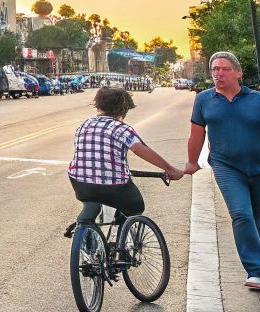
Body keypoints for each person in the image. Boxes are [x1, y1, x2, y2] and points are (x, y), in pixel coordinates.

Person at [186, 51, 260, 290]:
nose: (218, 73)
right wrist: (191, 162)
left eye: (224, 69)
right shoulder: (204, 100)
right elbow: (196, 134)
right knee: (241, 213)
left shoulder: (259, 100)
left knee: (257, 215)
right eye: (214, 69)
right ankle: (256, 270)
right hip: (226, 166)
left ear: (238, 73)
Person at [68, 87, 185, 248]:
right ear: (123, 109)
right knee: (136, 206)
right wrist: (169, 169)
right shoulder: (121, 128)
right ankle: (120, 246)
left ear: (99, 106)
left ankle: (87, 237)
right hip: (114, 186)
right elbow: (139, 149)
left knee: (92, 199)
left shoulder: (84, 125)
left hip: (80, 182)